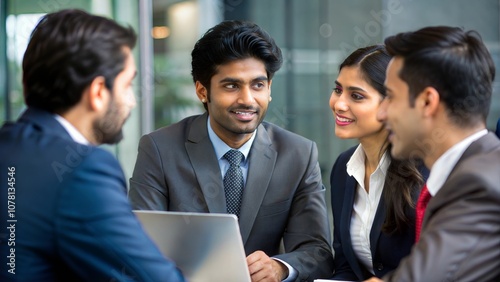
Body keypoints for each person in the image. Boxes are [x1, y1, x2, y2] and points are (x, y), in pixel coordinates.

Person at [128, 20, 334, 281]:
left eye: (258, 85)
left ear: (269, 89)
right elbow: (139, 244)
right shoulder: (159, 149)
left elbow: (317, 252)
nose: (247, 99)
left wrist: (279, 267)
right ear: (203, 91)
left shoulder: (299, 154)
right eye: (231, 86)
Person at [0, 9, 184, 281]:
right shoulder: (81, 170)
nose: (132, 101)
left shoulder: (9, 144)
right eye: (127, 85)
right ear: (98, 92)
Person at [366, 26, 500, 281]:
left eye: (390, 97)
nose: (381, 113)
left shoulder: (479, 184)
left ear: (428, 102)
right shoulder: (477, 168)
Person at [328, 45, 427, 281]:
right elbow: (345, 267)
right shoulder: (344, 167)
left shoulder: (427, 170)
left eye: (356, 96)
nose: (339, 104)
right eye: (338, 90)